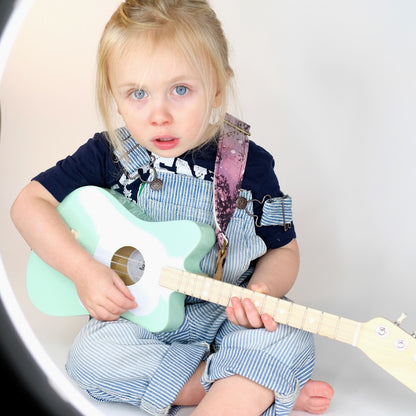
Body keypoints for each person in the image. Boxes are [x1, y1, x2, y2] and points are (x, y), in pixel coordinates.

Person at [11, 1, 334, 415]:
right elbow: (28, 204)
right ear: (115, 95)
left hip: (227, 313)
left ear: (217, 86)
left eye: (180, 90)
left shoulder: (249, 164)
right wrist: (83, 271)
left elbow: (283, 250)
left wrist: (263, 294)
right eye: (138, 94)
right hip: (141, 316)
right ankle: (253, 383)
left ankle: (251, 376)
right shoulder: (111, 153)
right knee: (91, 358)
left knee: (282, 332)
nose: (159, 115)